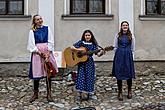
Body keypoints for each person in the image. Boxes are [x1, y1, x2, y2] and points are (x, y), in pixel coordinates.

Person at [27, 14, 58, 102]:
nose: (40, 20)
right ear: (34, 22)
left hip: (47, 53)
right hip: (37, 54)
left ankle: (49, 93)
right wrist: (40, 52)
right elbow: (31, 44)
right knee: (36, 73)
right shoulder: (32, 31)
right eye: (37, 19)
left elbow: (51, 41)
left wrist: (48, 53)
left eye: (40, 18)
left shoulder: (47, 29)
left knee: (48, 72)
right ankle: (35, 93)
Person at [71, 30, 104, 101]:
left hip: (89, 62)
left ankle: (90, 94)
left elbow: (98, 54)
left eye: (89, 35)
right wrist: (78, 50)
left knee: (89, 77)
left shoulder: (94, 44)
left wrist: (101, 53)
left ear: (91, 36)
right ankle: (79, 94)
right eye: (86, 35)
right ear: (84, 36)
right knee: (81, 77)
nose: (87, 36)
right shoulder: (81, 42)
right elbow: (72, 47)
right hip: (82, 63)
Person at [112, 21, 135, 101]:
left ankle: (129, 90)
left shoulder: (131, 36)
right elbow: (115, 46)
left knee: (128, 73)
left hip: (128, 56)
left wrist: (130, 56)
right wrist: (118, 55)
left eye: (126, 25)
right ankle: (120, 92)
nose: (125, 26)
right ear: (121, 27)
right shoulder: (117, 35)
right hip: (119, 55)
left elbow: (132, 48)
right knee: (119, 73)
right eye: (123, 25)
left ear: (128, 27)